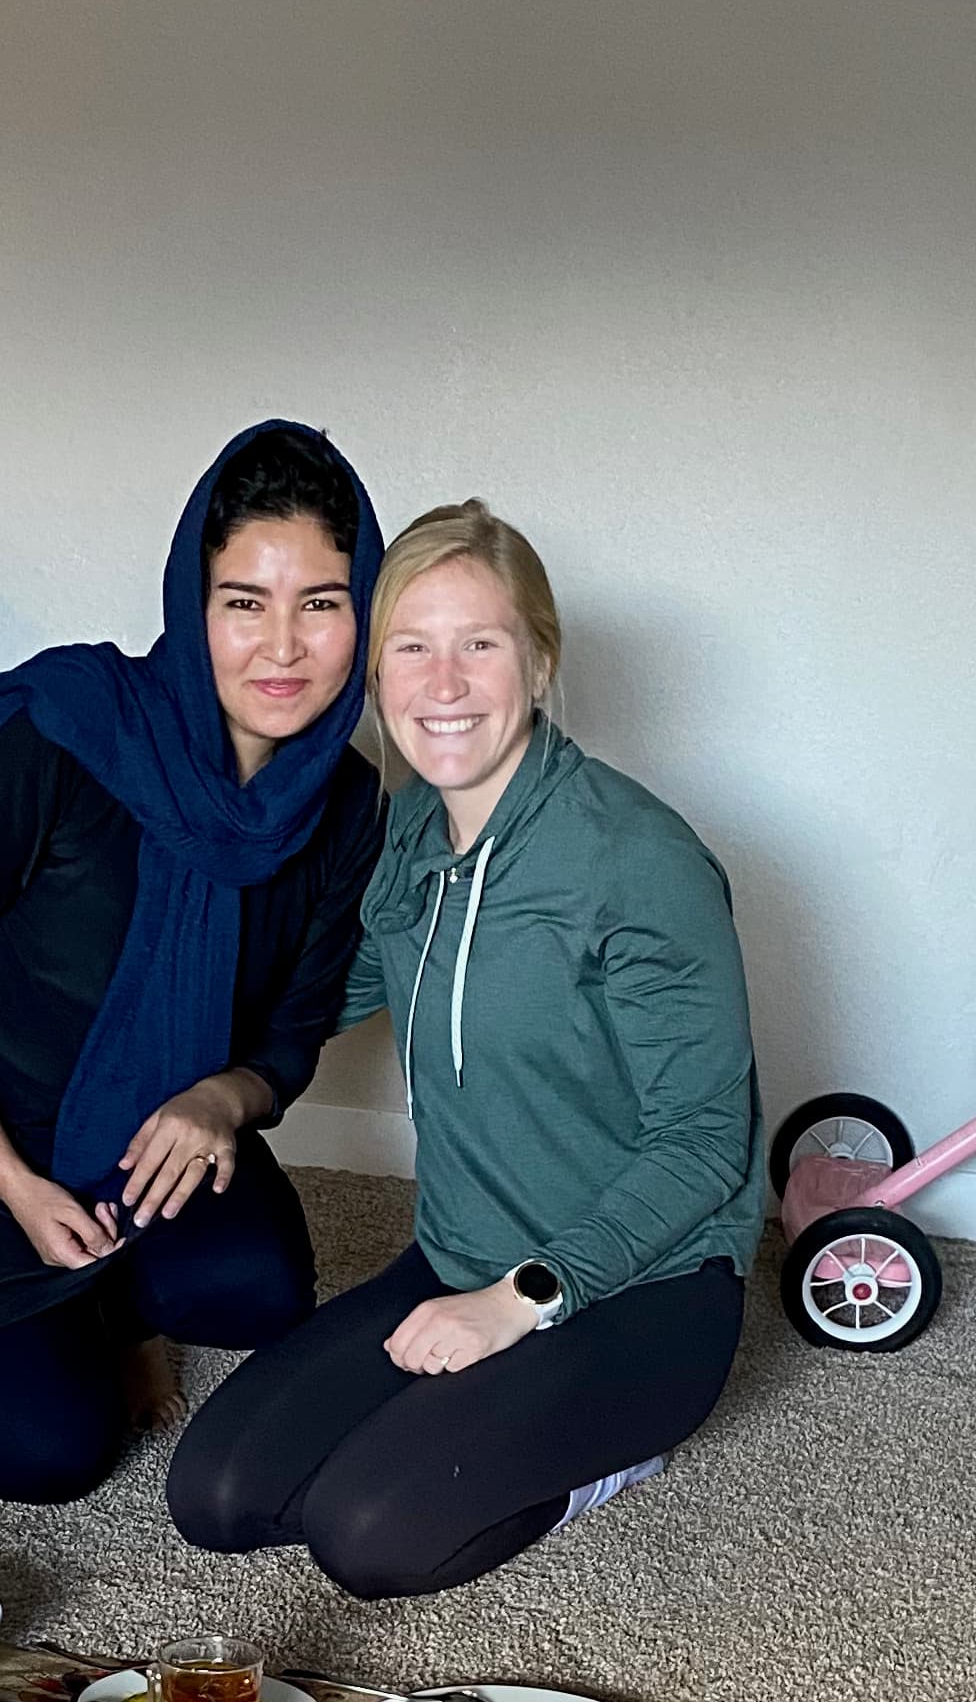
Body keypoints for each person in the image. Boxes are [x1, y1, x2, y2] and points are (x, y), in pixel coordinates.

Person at [167, 497, 762, 1597]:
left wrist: (518, 1301)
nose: (443, 686)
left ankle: (612, 1453)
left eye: (478, 645)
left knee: (368, 1536)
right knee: (218, 1496)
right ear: (377, 672)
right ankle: (487, 1405)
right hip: (455, 1252)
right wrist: (199, 1072)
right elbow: (346, 986)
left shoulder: (638, 862)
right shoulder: (409, 824)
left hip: (645, 1288)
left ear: (537, 663)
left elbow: (703, 1144)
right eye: (412, 648)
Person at [0, 423, 385, 1505]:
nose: (282, 646)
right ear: (194, 608)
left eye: (321, 603)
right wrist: (14, 1187)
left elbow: (292, 1032)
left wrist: (217, 1099)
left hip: (158, 1140)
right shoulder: (60, 735)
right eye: (245, 601)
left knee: (259, 1295)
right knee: (42, 1460)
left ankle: (116, 1299)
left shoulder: (344, 804)